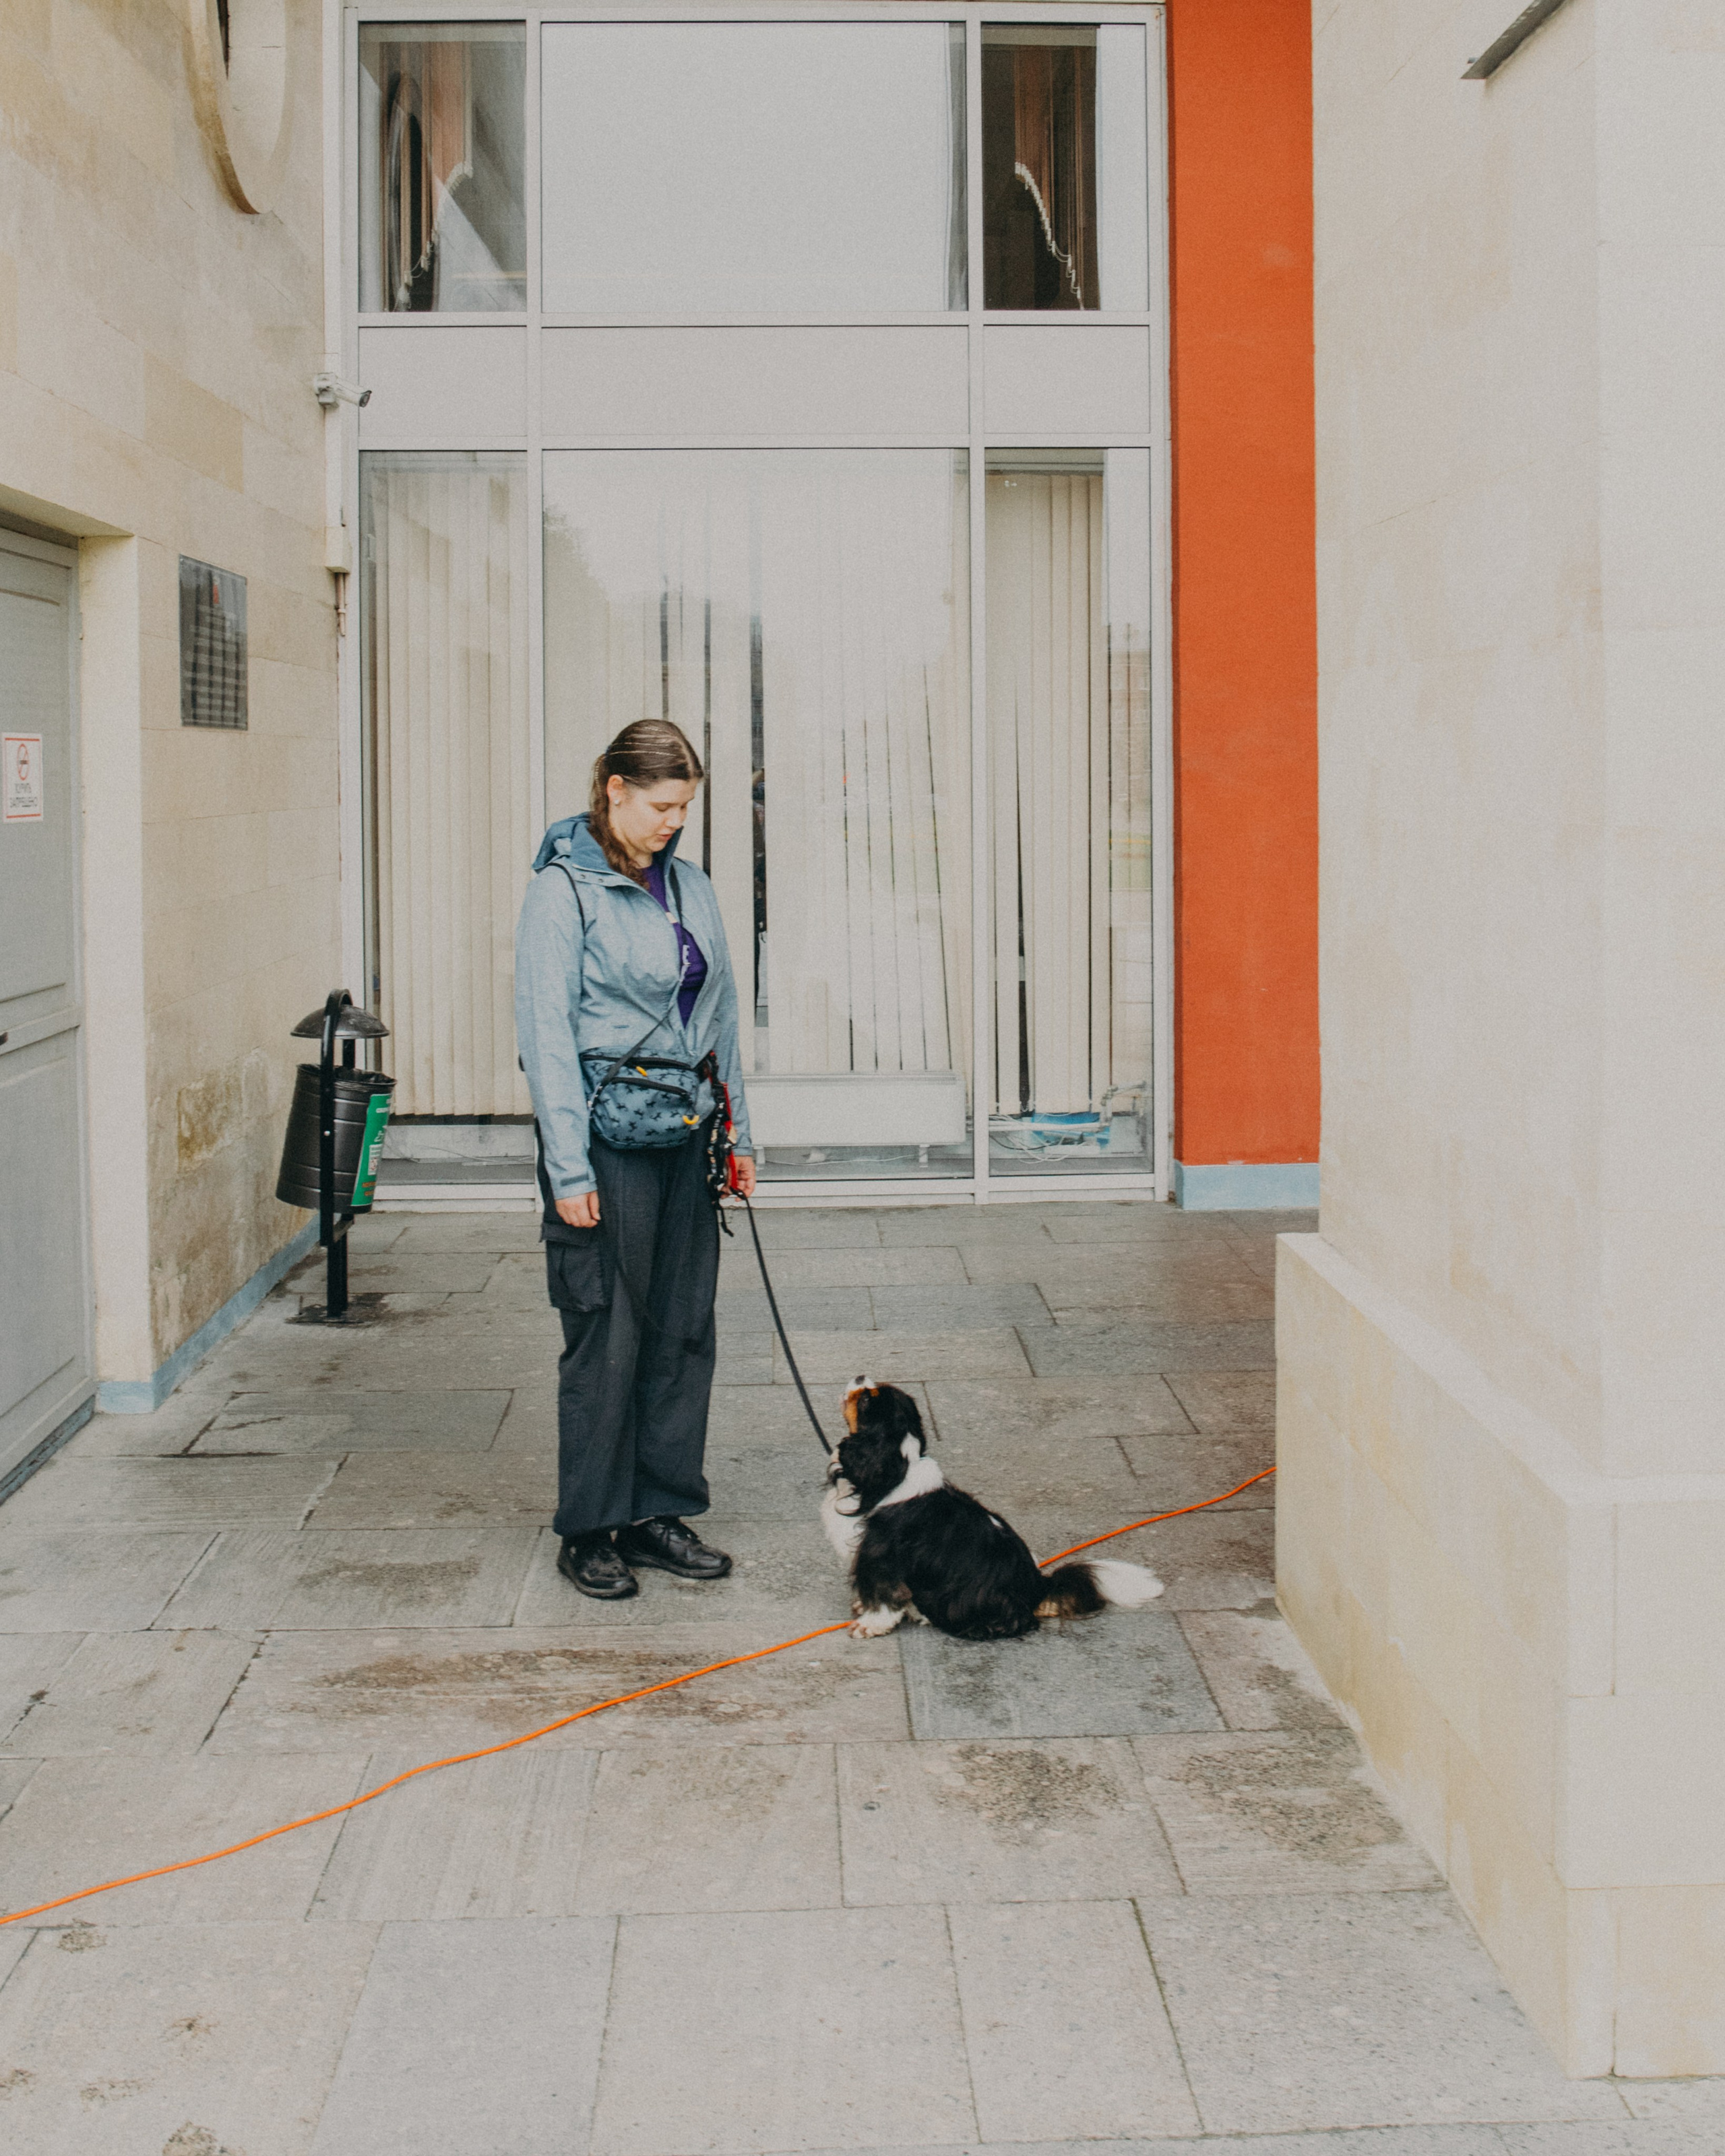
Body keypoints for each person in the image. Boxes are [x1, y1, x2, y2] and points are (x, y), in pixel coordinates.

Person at [514, 720, 756, 1599]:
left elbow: (721, 1018)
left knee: (683, 1330)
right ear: (614, 789)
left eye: (684, 807)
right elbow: (545, 1039)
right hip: (604, 1143)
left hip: (686, 1135)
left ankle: (657, 1512)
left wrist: (738, 1136)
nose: (674, 822)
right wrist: (569, 1171)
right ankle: (590, 1527)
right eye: (661, 805)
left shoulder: (691, 885)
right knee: (607, 1336)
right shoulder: (563, 893)